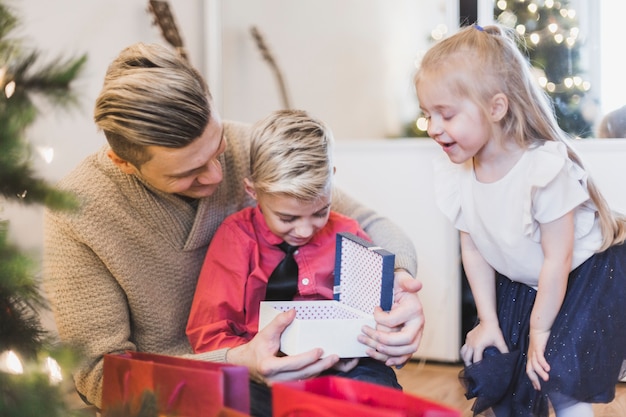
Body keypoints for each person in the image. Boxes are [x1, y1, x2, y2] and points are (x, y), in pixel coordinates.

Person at [42, 42, 423, 412]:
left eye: (217, 145)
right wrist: (239, 361)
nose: (217, 174)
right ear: (125, 163)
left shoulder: (249, 147)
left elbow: (367, 223)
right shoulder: (77, 211)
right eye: (189, 173)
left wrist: (400, 284)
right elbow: (99, 375)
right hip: (183, 388)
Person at [414, 24, 626, 417]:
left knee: (556, 373)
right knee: (508, 375)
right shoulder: (458, 174)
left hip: (584, 274)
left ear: (496, 108)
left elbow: (557, 259)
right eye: (427, 114)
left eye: (446, 114)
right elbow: (473, 249)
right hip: (528, 277)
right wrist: (488, 320)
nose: (434, 127)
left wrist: (540, 331)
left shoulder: (542, 171)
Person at [186, 109, 402, 415]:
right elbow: (210, 333)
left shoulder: (349, 233)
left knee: (379, 395)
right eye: (287, 217)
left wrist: (369, 344)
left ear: (332, 182)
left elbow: (375, 314)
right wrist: (253, 359)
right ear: (253, 191)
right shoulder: (235, 238)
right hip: (262, 372)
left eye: (319, 212)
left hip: (344, 366)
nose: (303, 230)